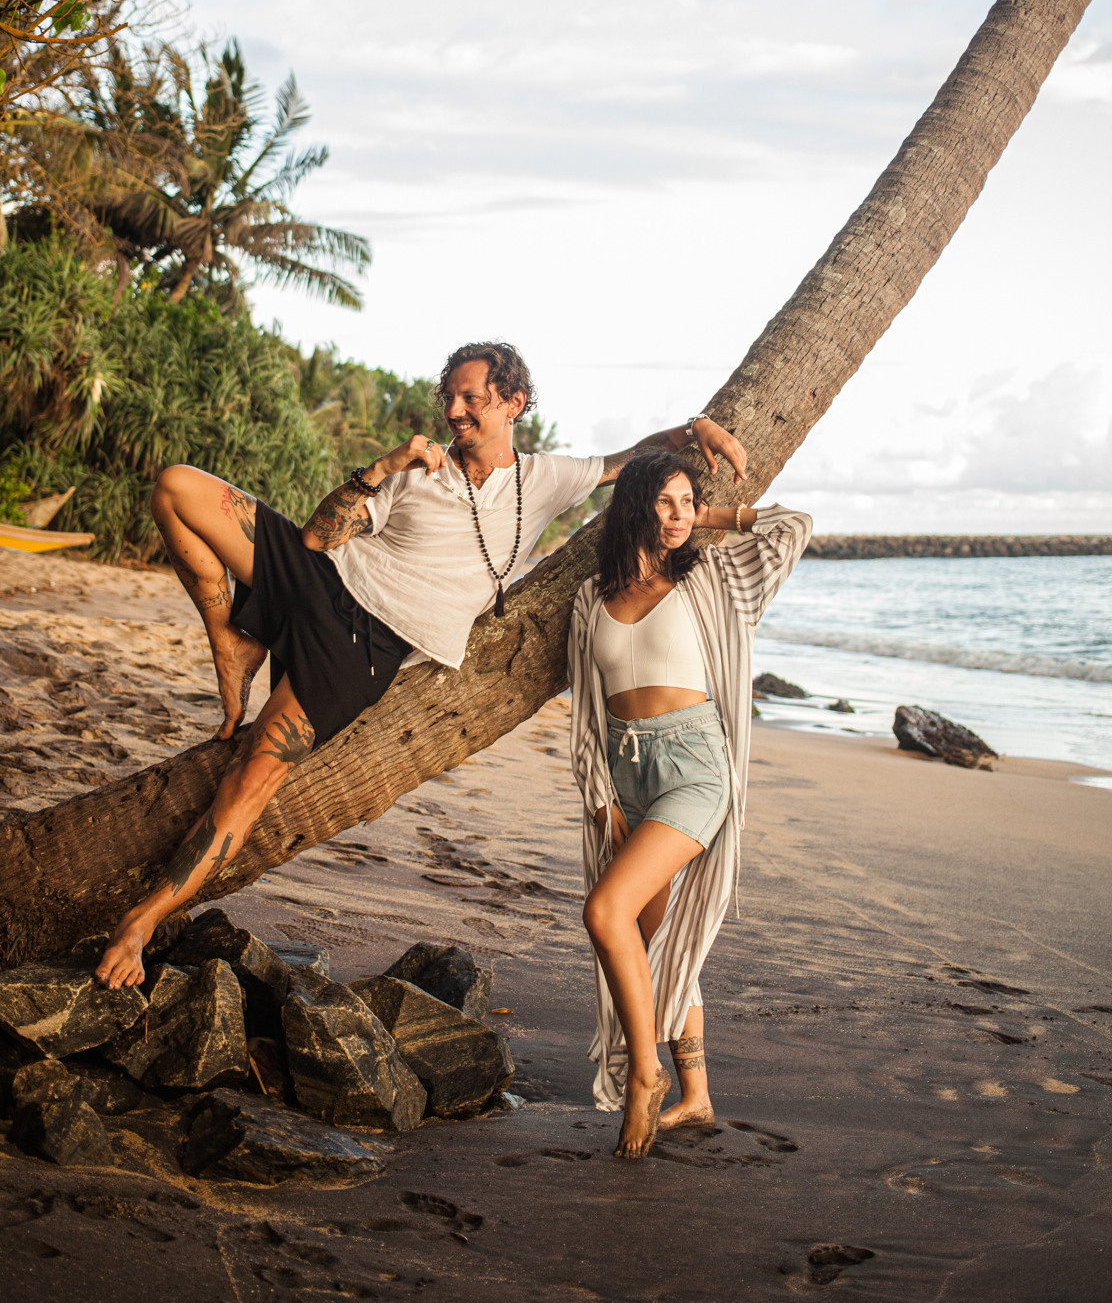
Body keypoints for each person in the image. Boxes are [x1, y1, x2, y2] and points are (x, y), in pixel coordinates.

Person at [95, 341, 748, 989]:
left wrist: (698, 427)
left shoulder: (544, 479)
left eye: (472, 397)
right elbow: (318, 539)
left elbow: (625, 462)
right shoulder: (416, 471)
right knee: (177, 486)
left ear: (514, 403)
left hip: (363, 651)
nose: (455, 410)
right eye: (450, 397)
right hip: (322, 582)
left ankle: (142, 922)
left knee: (250, 783)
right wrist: (385, 465)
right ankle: (230, 642)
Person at [568, 446, 811, 1159]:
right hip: (627, 775)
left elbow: (795, 524)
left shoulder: (713, 576)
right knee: (652, 938)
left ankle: (644, 1075)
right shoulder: (592, 596)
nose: (678, 517)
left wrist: (712, 515)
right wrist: (602, 792)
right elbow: (586, 708)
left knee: (604, 913)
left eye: (686, 503)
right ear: (635, 505)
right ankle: (697, 1094)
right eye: (666, 502)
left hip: (696, 770)